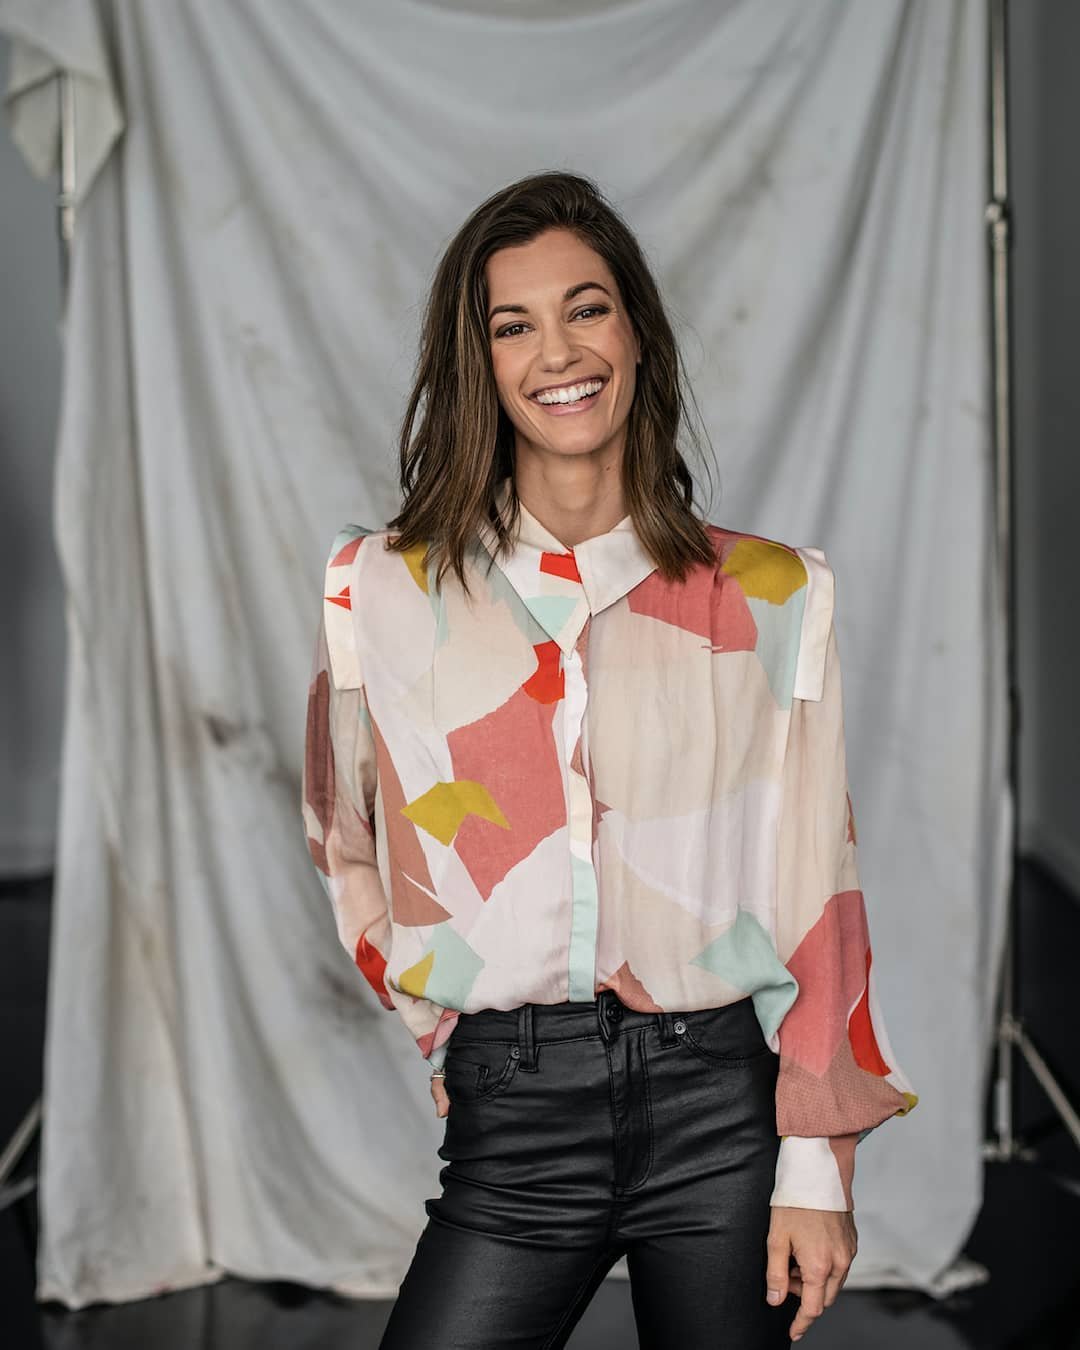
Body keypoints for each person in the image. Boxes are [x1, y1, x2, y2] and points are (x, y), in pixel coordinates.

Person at [301, 170, 918, 1350]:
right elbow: (346, 832)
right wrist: (446, 1019)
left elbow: (814, 890)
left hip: (721, 1110)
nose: (556, 352)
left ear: (637, 330)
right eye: (511, 324)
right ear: (478, 362)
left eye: (586, 307)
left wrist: (817, 1162)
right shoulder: (381, 586)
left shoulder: (773, 594)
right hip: (516, 1114)